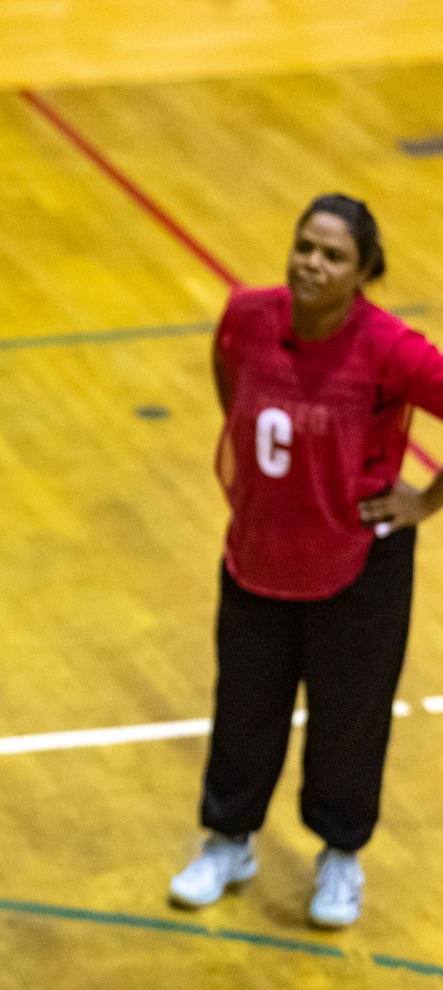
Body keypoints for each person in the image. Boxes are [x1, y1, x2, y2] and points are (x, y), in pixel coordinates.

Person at [169, 194, 443, 928]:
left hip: (360, 568)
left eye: (333, 256)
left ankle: (340, 857)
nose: (312, 265)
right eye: (305, 248)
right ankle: (229, 842)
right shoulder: (248, 315)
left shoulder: (391, 349)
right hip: (259, 549)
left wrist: (426, 501)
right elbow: (229, 372)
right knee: (245, 706)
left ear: (364, 273)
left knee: (349, 718)